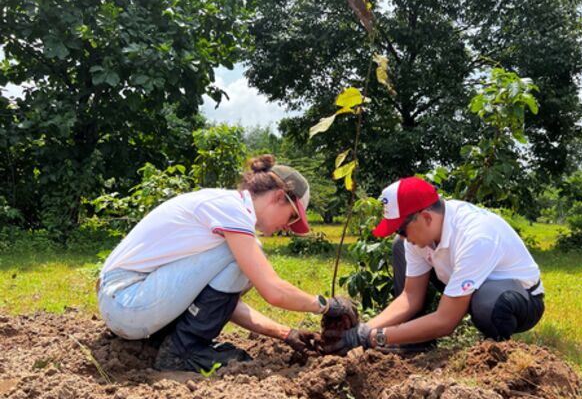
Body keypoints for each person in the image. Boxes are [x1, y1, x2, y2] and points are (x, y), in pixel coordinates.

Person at [98, 154, 352, 372]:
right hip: (128, 301)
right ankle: (183, 352)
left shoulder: (227, 208)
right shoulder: (233, 211)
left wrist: (285, 333)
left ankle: (176, 343)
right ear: (278, 197)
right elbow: (273, 291)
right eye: (292, 217)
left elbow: (217, 304)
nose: (287, 227)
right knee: (248, 254)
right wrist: (327, 305)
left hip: (126, 304)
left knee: (243, 257)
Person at [325, 177, 545, 354]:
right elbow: (410, 297)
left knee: (488, 304)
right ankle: (414, 341)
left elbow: (446, 321)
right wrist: (363, 331)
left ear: (426, 218)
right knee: (400, 248)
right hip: (466, 285)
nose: (401, 236)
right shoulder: (422, 232)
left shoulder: (476, 237)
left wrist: (375, 337)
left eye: (401, 229)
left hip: (517, 298)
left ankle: (495, 350)